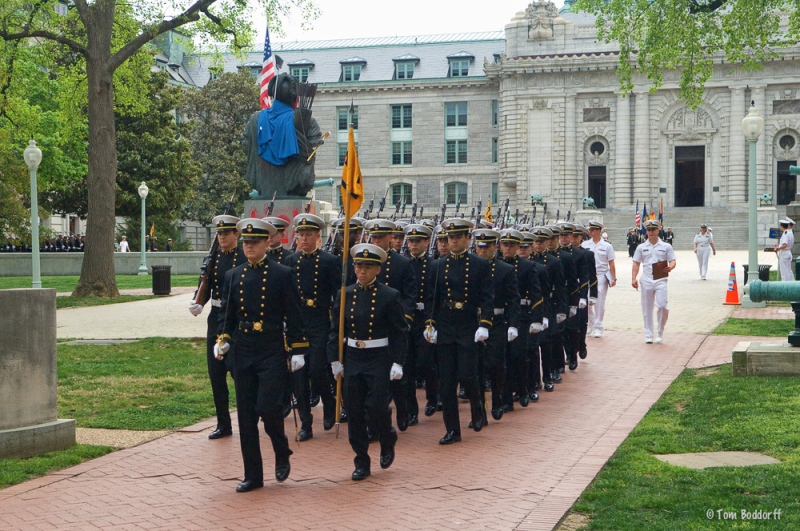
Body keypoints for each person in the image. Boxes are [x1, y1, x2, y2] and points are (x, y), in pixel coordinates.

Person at [217, 218, 308, 492]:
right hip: (244, 350)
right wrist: (224, 338)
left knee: (268, 409)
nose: (249, 247)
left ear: (267, 242)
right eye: (245, 242)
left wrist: (298, 349)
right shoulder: (234, 276)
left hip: (270, 349)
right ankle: (253, 475)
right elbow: (227, 315)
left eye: (254, 242)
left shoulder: (282, 274)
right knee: (245, 416)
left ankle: (281, 450)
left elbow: (295, 315)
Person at [327, 243, 408, 481]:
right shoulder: (345, 294)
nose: (362, 271)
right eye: (358, 266)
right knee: (353, 409)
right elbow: (335, 330)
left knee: (375, 407)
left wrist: (398, 362)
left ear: (377, 269)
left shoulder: (389, 295)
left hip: (378, 358)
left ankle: (387, 436)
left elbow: (399, 332)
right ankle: (361, 459)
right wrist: (334, 359)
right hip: (353, 356)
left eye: (368, 267)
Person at [424, 218, 494, 444]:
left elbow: (487, 297)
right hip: (445, 324)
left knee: (467, 375)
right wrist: (430, 323)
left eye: (457, 237)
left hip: (467, 324)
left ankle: (477, 410)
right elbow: (431, 299)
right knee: (446, 381)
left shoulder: (479, 265)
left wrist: (484, 324)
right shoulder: (437, 266)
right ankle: (452, 429)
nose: (452, 241)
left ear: (467, 239)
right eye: (449, 238)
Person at [282, 213, 340, 441]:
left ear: (318, 236)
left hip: (319, 323)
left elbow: (338, 296)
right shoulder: (290, 261)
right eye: (300, 235)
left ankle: (328, 403)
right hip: (298, 325)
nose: (304, 239)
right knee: (298, 375)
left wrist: (337, 324)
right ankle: (306, 422)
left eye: (309, 235)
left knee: (317, 370)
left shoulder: (329, 261)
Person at [189, 215, 246, 440]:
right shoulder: (213, 258)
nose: (222, 237)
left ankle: (246, 420)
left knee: (239, 372)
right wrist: (198, 302)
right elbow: (205, 285)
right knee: (216, 374)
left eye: (226, 233)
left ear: (236, 235)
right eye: (219, 234)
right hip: (216, 318)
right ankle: (224, 424)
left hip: (237, 319)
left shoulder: (243, 256)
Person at [472, 228, 519, 421]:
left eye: (487, 247)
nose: (483, 251)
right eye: (479, 247)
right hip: (473, 321)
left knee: (495, 363)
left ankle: (497, 396)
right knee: (475, 368)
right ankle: (479, 410)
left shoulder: (505, 270)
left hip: (497, 322)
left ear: (495, 247)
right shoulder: (470, 267)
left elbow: (513, 299)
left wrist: (513, 324)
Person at [632, 219, 676, 344]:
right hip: (646, 279)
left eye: (653, 229)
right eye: (648, 230)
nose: (650, 232)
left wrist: (671, 267)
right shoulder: (641, 247)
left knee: (662, 305)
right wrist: (633, 277)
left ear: (658, 230)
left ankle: (660, 330)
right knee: (647, 308)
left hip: (660, 279)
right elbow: (636, 263)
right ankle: (649, 334)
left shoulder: (666, 246)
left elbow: (672, 260)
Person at [581, 220, 616, 338]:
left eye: (592, 229)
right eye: (589, 229)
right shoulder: (585, 245)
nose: (590, 231)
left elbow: (611, 262)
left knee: (599, 302)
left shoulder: (607, 245)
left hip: (600, 275)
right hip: (587, 276)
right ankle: (590, 323)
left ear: (598, 231)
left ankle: (598, 326)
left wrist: (613, 277)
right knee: (586, 301)